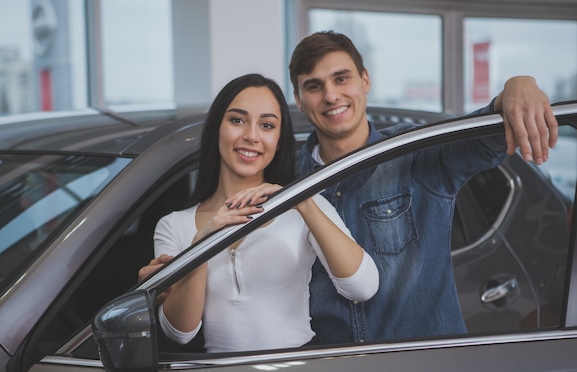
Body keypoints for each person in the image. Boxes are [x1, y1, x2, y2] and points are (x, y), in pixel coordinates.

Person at [141, 31, 558, 346]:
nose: (331, 95)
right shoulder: (285, 181)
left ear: (365, 80)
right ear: (300, 101)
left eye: (342, 78)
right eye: (314, 86)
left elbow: (486, 134)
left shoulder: (414, 152)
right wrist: (173, 278)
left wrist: (517, 85)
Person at [152, 73, 379, 353]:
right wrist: (203, 243)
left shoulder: (307, 205)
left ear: (279, 141)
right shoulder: (173, 225)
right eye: (237, 120)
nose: (251, 136)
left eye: (267, 125)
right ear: (216, 129)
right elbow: (179, 332)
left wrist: (300, 201)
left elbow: (362, 288)